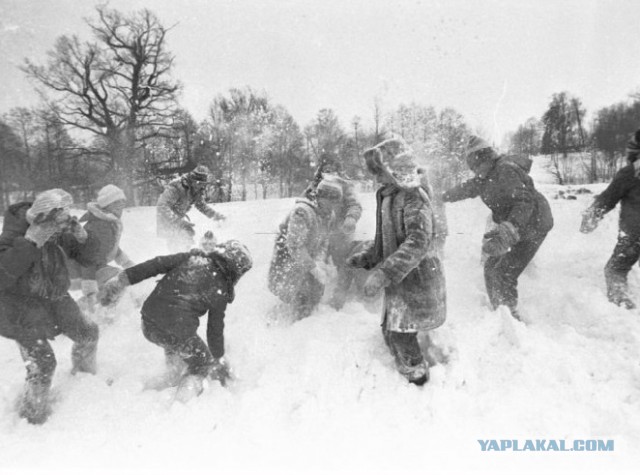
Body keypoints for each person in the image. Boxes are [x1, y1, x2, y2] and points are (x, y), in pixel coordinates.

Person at [99, 237, 252, 399]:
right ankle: (183, 401)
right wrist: (219, 358)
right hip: (176, 330)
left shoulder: (190, 259)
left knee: (177, 351)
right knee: (202, 362)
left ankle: (165, 383)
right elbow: (214, 331)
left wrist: (122, 280)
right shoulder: (221, 288)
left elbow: (155, 265)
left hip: (149, 321)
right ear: (236, 270)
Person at [348, 138, 446, 385]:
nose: (377, 178)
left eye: (380, 172)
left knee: (401, 331)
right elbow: (386, 238)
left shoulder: (414, 198)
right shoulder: (391, 194)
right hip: (401, 275)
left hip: (417, 276)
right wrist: (367, 257)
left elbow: (417, 242)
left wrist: (383, 273)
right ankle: (409, 367)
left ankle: (418, 380)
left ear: (395, 169)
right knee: (393, 328)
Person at [0, 189, 99, 424]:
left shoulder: (55, 232)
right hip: (18, 307)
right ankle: (32, 415)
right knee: (43, 362)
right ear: (38, 218)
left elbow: (88, 258)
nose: (58, 227)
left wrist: (83, 237)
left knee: (89, 333)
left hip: (55, 297)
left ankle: (83, 380)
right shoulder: (10, 237)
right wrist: (31, 242)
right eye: (55, 220)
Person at [442, 136, 554, 321]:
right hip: (517, 226)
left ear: (485, 158)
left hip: (534, 224)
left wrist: (510, 228)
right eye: (472, 168)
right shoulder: (486, 176)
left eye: (475, 165)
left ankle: (510, 319)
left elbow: (524, 201)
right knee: (490, 267)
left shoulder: (505, 170)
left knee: (504, 272)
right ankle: (499, 312)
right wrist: (442, 196)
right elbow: (467, 188)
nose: (474, 171)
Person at [581, 129, 640, 309]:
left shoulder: (631, 173)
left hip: (634, 234)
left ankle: (622, 308)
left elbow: (608, 198)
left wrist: (590, 217)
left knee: (615, 269)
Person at [268, 178, 343, 320]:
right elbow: (295, 246)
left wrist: (319, 262)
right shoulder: (302, 212)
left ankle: (304, 323)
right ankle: (279, 324)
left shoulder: (329, 215)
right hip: (288, 260)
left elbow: (324, 242)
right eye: (331, 202)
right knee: (295, 296)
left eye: (336, 203)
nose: (333, 207)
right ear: (321, 197)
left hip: (308, 259)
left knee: (315, 293)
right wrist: (314, 269)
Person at [69, 184, 135, 313]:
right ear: (107, 205)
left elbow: (109, 247)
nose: (121, 208)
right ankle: (85, 311)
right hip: (80, 271)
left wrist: (126, 262)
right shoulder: (100, 226)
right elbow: (88, 258)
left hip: (92, 267)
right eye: (117, 204)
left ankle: (81, 310)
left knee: (116, 282)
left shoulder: (107, 222)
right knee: (118, 281)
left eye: (122, 204)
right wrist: (90, 291)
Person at [156, 166, 225, 252]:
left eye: (203, 184)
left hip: (179, 218)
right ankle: (176, 259)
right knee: (178, 243)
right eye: (199, 183)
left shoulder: (196, 189)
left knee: (188, 238)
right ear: (192, 179)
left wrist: (215, 215)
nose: (200, 186)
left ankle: (184, 257)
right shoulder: (176, 187)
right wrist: (178, 221)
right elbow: (162, 206)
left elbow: (201, 205)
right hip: (168, 219)